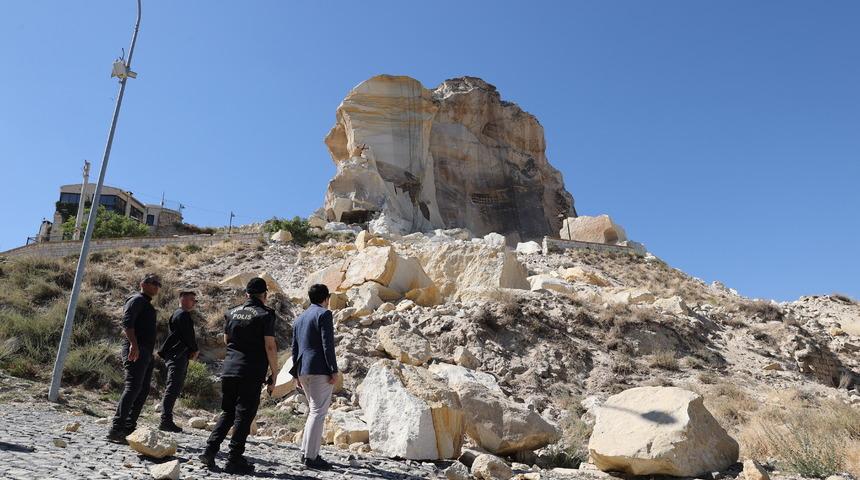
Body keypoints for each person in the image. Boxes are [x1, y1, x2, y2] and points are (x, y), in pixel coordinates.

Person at [199, 277, 279, 474]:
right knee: (245, 414)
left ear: (246, 294)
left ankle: (209, 450)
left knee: (228, 412)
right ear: (265, 295)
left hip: (229, 369)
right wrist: (274, 373)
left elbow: (227, 339)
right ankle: (234, 459)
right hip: (251, 371)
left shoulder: (231, 312)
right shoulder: (265, 314)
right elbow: (270, 345)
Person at [107, 273, 161, 444]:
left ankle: (129, 427)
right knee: (132, 387)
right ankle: (117, 429)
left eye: (158, 284)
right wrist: (134, 345)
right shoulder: (136, 300)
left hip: (145, 351)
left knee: (143, 389)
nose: (156, 286)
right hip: (136, 350)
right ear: (143, 283)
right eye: (153, 283)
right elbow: (127, 323)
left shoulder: (145, 303)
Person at [291, 283, 339, 470]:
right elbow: (328, 344)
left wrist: (296, 373)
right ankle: (311, 457)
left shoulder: (300, 318)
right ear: (326, 298)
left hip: (303, 369)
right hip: (319, 369)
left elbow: (294, 348)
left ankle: (305, 452)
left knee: (313, 411)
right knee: (318, 412)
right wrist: (333, 369)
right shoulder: (324, 314)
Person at [156, 290, 200, 433]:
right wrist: (194, 349)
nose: (194, 302)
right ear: (184, 300)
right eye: (193, 300)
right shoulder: (182, 315)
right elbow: (187, 336)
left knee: (174, 386)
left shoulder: (179, 314)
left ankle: (166, 419)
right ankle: (165, 420)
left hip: (177, 355)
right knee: (173, 386)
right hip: (177, 355)